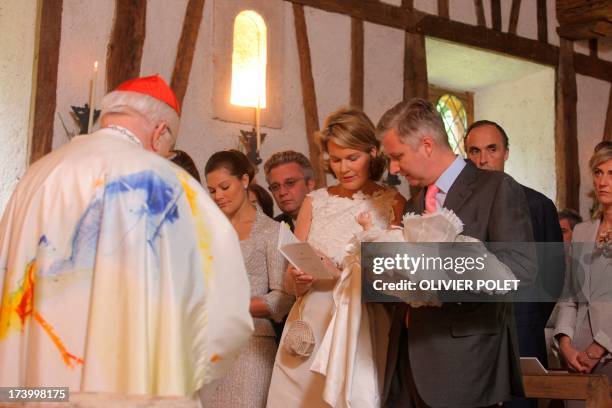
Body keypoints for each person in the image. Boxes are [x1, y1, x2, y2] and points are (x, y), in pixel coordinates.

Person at [0, 75, 253, 401]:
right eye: (168, 149)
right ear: (160, 131)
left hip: (31, 389)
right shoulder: (169, 184)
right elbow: (223, 313)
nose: (165, 156)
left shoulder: (36, 176)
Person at [377, 98, 536, 408]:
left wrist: (443, 275)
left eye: (397, 156)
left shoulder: (497, 188)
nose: (393, 168)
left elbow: (521, 270)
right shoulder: (413, 205)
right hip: (406, 363)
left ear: (426, 145)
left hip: (465, 365)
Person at [267, 108, 405, 407]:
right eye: (335, 159)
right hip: (308, 328)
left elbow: (399, 281)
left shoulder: (393, 203)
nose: (343, 168)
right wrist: (298, 279)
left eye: (351, 157)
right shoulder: (314, 202)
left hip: (360, 326)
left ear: (372, 152)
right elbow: (290, 279)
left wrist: (342, 273)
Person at [464, 120, 564, 408]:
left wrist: (527, 320)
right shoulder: (456, 206)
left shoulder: (539, 205)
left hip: (522, 334)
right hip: (469, 337)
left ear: (506, 152)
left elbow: (552, 279)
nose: (483, 159)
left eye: (492, 149)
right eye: (475, 150)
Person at [204, 150, 293, 408]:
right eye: (212, 190)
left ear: (244, 181)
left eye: (224, 186)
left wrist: (233, 306)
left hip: (251, 349)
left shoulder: (272, 231)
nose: (218, 196)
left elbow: (282, 300)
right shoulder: (207, 231)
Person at [554, 142, 612, 408]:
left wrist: (599, 347)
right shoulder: (582, 232)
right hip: (578, 358)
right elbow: (569, 296)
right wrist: (565, 342)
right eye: (598, 173)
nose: (603, 181)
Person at [264, 150, 316, 231]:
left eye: (290, 183)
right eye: (275, 187)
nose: (282, 192)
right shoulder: (272, 230)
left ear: (310, 184)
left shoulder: (334, 217)